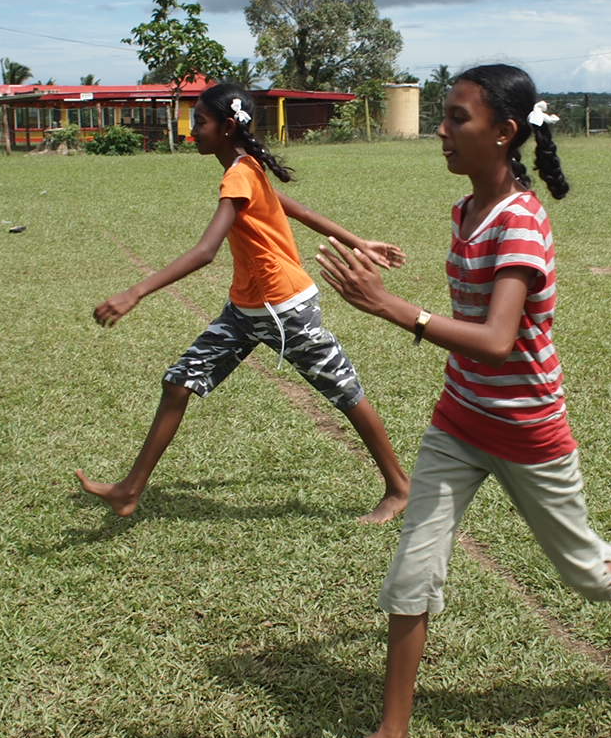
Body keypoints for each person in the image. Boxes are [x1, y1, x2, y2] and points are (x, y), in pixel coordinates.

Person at [312, 64, 611, 738]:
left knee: (584, 574)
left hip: (529, 431)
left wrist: (391, 307)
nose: (441, 131)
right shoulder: (467, 211)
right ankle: (392, 734)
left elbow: (499, 339)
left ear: (504, 134)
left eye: (457, 120)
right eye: (441, 116)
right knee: (414, 570)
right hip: (459, 422)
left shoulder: (522, 223)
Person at [75, 83, 410, 524]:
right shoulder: (246, 166)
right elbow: (300, 211)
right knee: (179, 383)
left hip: (286, 309)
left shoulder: (240, 172)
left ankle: (400, 488)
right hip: (246, 310)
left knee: (344, 391)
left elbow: (205, 251)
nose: (193, 130)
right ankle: (129, 490)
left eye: (200, 122)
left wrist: (135, 291)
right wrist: (359, 241)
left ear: (227, 126)